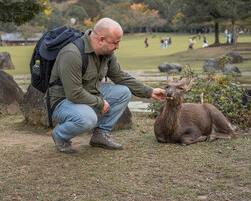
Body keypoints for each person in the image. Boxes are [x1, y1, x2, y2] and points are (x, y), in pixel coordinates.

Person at [46, 18, 166, 153]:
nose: (118, 47)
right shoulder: (72, 54)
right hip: (63, 101)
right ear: (101, 40)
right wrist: (100, 102)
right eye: (115, 43)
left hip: (88, 95)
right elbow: (73, 93)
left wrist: (150, 92)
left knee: (123, 92)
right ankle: (60, 135)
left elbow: (121, 77)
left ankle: (100, 135)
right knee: (87, 119)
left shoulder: (107, 54)